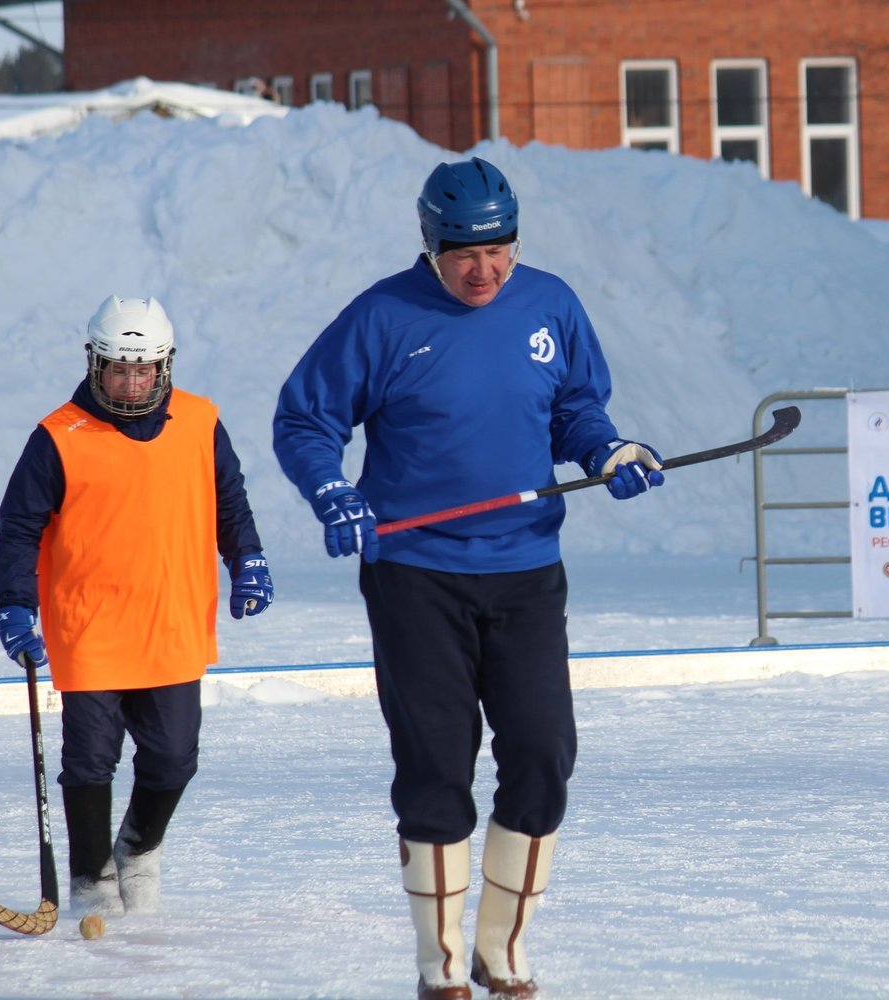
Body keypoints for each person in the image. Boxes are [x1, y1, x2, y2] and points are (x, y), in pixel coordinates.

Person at [273, 156, 664, 1000]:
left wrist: (607, 449)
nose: (484, 270)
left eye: (500, 251)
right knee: (437, 764)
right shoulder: (382, 316)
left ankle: (501, 946)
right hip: (417, 576)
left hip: (526, 570)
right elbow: (305, 418)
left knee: (543, 753)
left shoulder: (551, 304)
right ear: (431, 245)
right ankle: (440, 962)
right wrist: (332, 491)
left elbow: (575, 407)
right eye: (464, 255)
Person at [0, 295, 273, 919]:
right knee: (91, 758)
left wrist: (247, 557)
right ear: (95, 364)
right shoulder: (58, 435)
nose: (130, 381)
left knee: (175, 756)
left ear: (164, 366)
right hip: (89, 626)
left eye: (142, 368)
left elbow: (229, 501)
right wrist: (14, 603)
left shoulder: (200, 421)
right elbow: (18, 528)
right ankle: (92, 877)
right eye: (117, 368)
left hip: (173, 620)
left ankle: (139, 849)